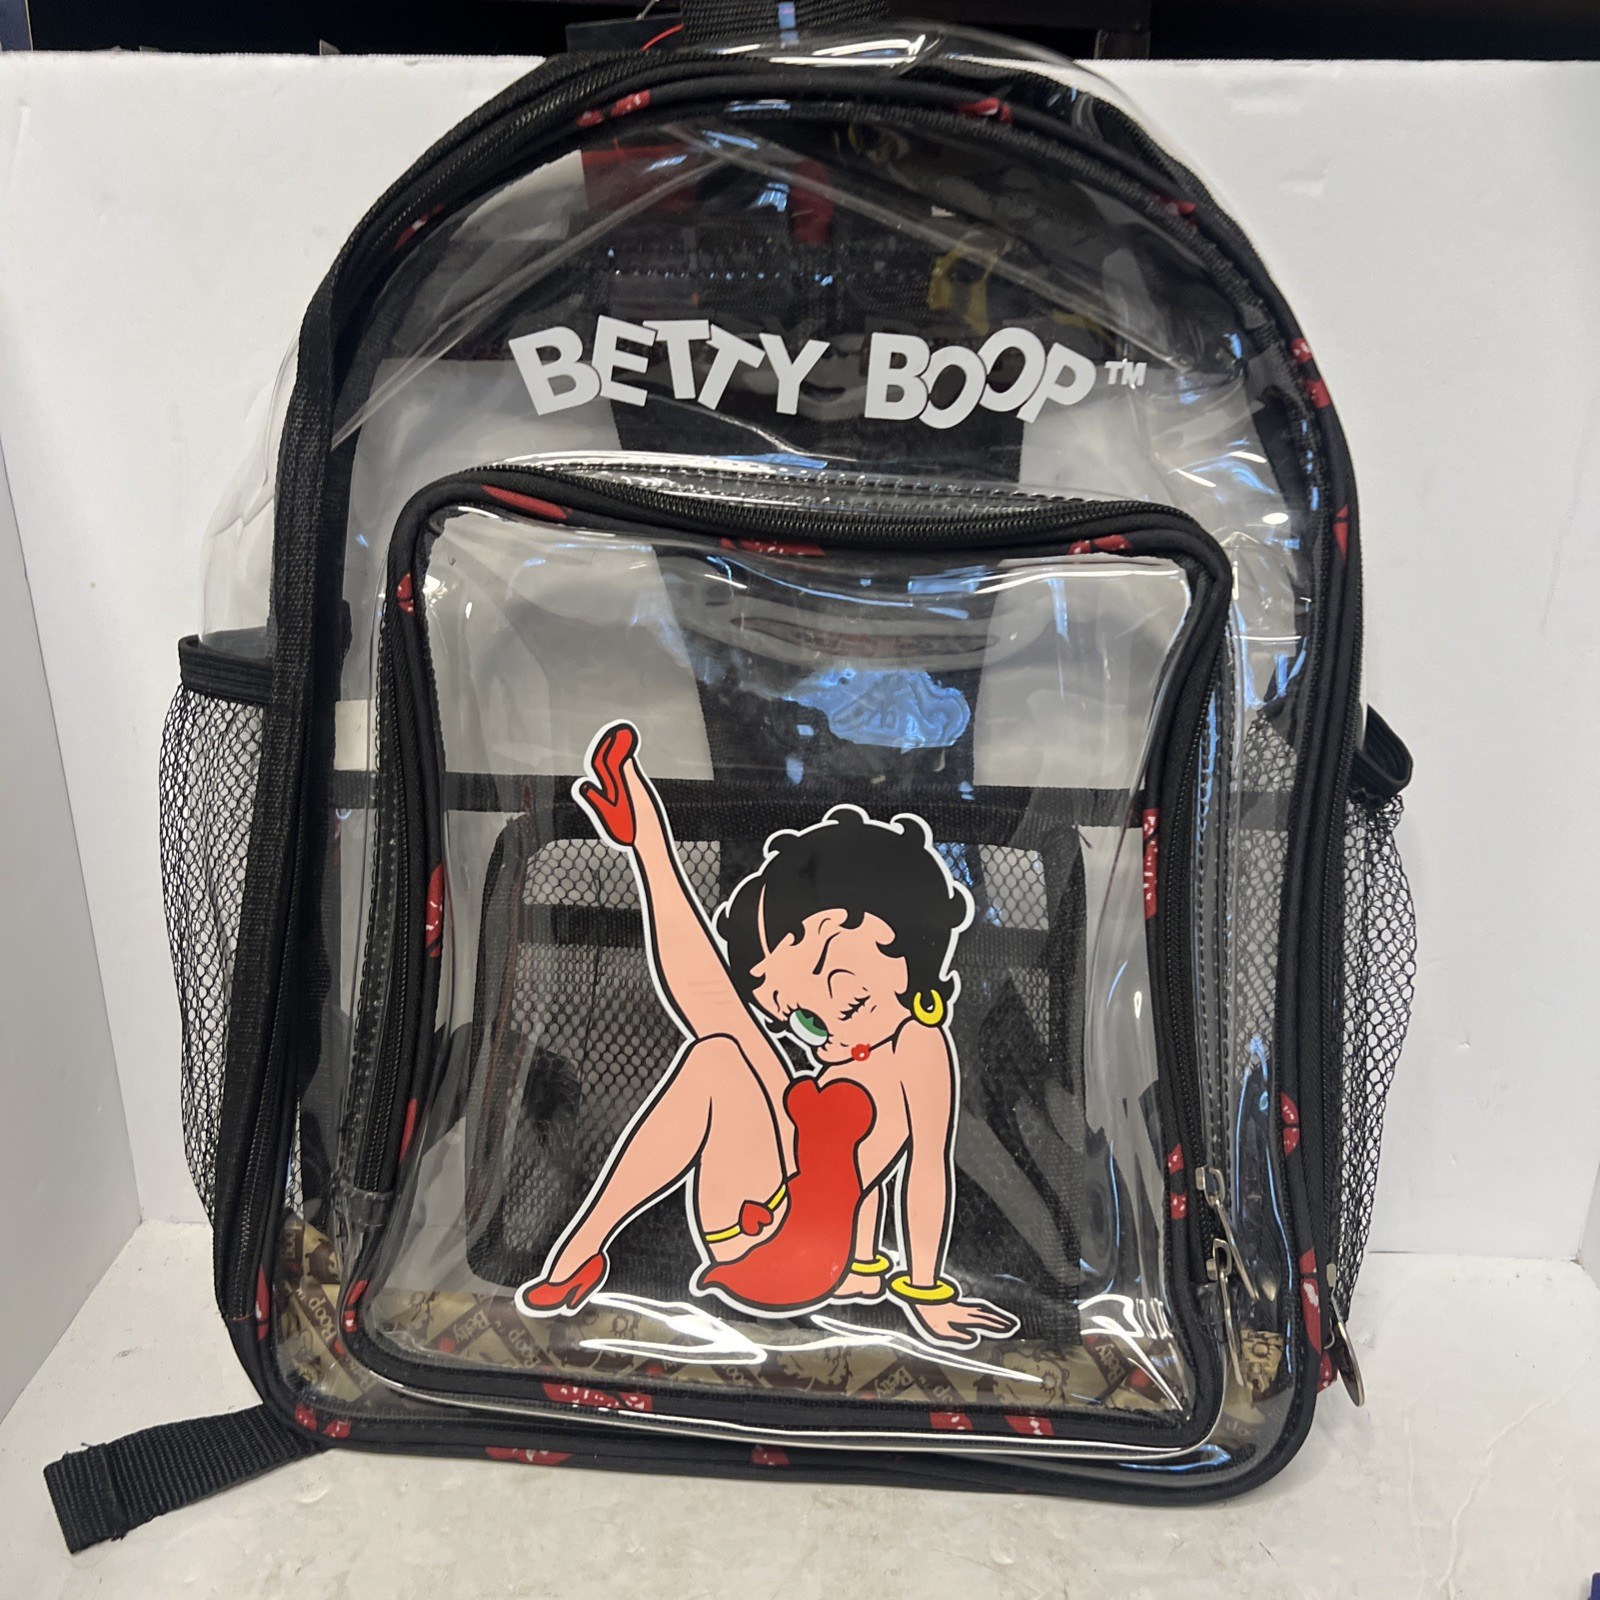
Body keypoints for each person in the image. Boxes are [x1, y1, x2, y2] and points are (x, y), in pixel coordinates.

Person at [516, 721, 1018, 1349]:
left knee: (720, 1051)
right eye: (806, 1018)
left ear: (908, 944)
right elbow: (717, 1004)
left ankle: (582, 1251)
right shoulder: (859, 1044)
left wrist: (926, 1295)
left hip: (801, 1252)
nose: (827, 1028)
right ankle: (647, 842)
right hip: (769, 1222)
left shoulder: (918, 1044)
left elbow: (924, 1170)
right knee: (723, 1034)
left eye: (845, 992)